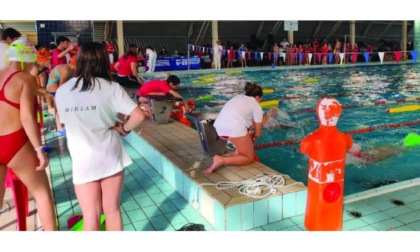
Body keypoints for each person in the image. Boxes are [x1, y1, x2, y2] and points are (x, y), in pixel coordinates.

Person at [55, 42, 146, 231]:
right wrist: (124, 128)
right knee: (112, 211)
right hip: (109, 155)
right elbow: (139, 115)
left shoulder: (62, 91)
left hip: (82, 158)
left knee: (91, 216)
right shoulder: (110, 87)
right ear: (104, 61)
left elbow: (61, 122)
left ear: (79, 61)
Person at [0, 38, 57, 230]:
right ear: (25, 60)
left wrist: (49, 94)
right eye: (32, 63)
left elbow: (38, 92)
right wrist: (39, 149)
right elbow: (26, 118)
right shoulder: (24, 78)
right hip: (14, 143)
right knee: (42, 193)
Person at [204, 82, 264, 174]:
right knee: (249, 158)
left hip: (220, 128)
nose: (260, 101)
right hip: (234, 130)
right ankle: (221, 160)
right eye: (261, 99)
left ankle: (238, 153)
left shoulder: (238, 97)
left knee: (245, 131)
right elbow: (258, 133)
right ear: (257, 97)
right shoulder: (256, 105)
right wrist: (253, 137)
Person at [46, 55, 77, 136]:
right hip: (53, 86)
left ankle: (61, 126)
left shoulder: (69, 68)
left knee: (60, 106)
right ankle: (59, 128)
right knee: (59, 107)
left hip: (55, 84)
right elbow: (61, 88)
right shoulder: (67, 70)